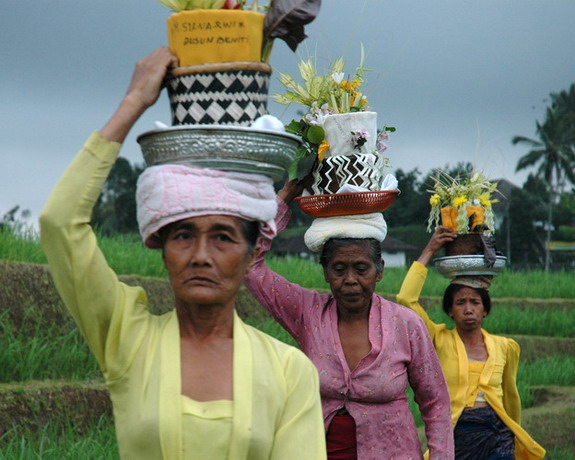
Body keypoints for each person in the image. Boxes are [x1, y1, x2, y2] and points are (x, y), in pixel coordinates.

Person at [40, 48, 326, 460]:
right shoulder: (127, 339)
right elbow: (60, 224)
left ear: (251, 255)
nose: (201, 255)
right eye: (183, 236)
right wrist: (134, 101)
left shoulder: (287, 370)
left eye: (224, 238)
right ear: (162, 247)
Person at [244, 180, 454, 459]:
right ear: (325, 272)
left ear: (379, 271)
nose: (351, 280)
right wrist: (285, 196)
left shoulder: (406, 324)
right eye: (339, 269)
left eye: (361, 269)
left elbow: (435, 403)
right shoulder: (307, 312)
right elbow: (249, 263)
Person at [396, 226, 546, 459]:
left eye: (475, 302)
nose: (468, 309)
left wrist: (516, 435)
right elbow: (405, 299)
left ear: (485, 309)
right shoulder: (438, 339)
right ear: (450, 310)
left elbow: (510, 398)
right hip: (458, 434)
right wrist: (430, 249)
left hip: (499, 435)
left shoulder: (505, 347)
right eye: (460, 302)